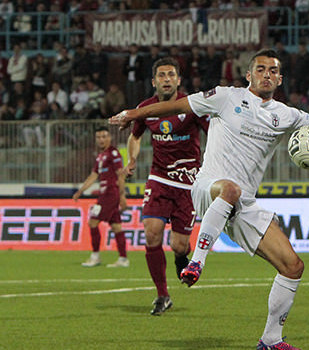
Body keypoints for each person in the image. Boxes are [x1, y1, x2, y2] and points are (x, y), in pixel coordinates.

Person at [111, 49, 309, 350]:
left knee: (293, 266)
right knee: (230, 189)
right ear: (249, 75)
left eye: (273, 70)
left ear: (280, 78)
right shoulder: (224, 96)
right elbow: (175, 106)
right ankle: (197, 261)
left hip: (243, 205)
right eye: (261, 69)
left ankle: (270, 339)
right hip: (208, 188)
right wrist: (132, 114)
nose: (267, 74)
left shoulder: (284, 114)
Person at [124, 57, 209, 316]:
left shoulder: (192, 106)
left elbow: (213, 133)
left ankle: (181, 258)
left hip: (188, 184)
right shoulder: (146, 108)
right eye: (161, 75)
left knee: (180, 246)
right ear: (154, 81)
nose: (166, 79)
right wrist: (132, 160)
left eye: (171, 74)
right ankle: (162, 295)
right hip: (159, 178)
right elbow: (134, 136)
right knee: (151, 233)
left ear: (178, 80)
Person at [73, 126, 129, 268]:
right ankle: (123, 259)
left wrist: (122, 196)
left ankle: (95, 256)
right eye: (98, 137)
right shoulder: (100, 156)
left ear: (110, 138)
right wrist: (81, 191)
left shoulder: (113, 153)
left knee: (93, 222)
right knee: (116, 226)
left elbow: (120, 174)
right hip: (105, 194)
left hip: (110, 194)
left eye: (104, 136)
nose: (101, 140)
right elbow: (93, 176)